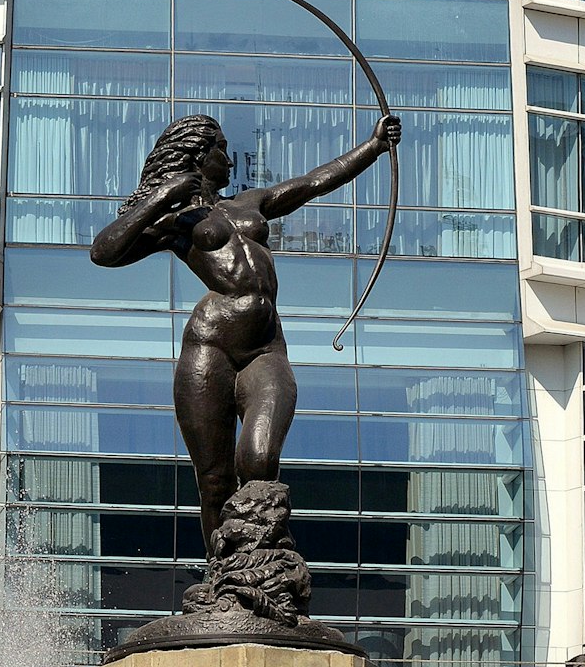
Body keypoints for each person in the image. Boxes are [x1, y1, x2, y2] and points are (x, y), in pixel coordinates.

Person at [91, 112, 401, 558]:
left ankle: (262, 560)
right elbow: (104, 252)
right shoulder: (176, 221)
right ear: (198, 156)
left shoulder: (250, 202)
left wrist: (373, 147)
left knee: (258, 460)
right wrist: (162, 197)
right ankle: (224, 579)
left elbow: (314, 182)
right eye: (220, 147)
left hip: (264, 348)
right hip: (210, 346)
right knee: (214, 479)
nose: (228, 158)